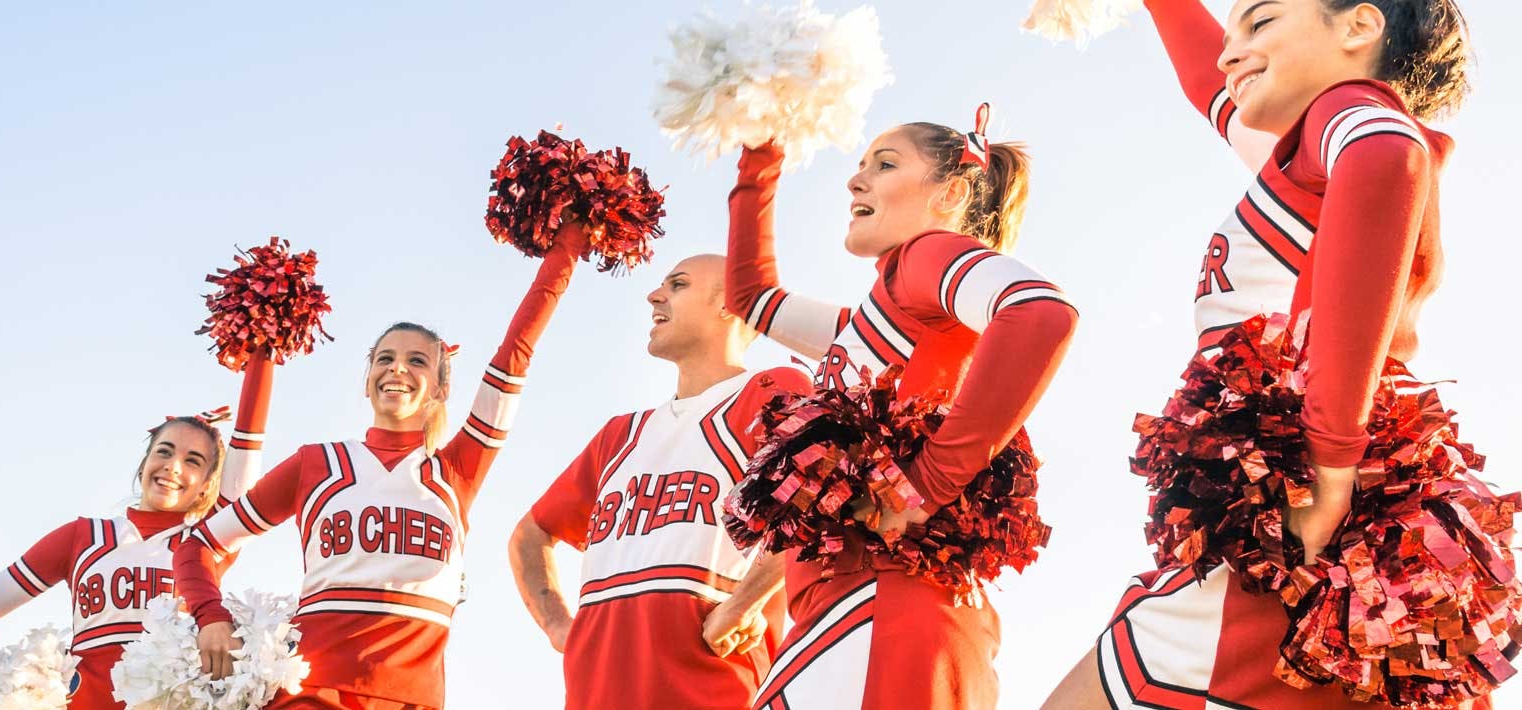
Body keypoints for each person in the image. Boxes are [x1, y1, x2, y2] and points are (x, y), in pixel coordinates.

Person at [1041, 1, 1473, 707]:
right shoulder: (1306, 157)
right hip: (1286, 524)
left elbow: (1386, 151)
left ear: (1359, 28)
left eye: (1261, 21)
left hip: (1300, 520)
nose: (1229, 52)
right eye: (1233, 30)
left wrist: (1329, 463)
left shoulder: (1356, 111)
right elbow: (1210, 84)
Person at [726, 104, 1079, 709]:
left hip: (881, 610)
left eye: (884, 165)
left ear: (952, 192)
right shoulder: (877, 318)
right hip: (851, 610)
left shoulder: (922, 259)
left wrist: (924, 486)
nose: (854, 179)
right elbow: (751, 297)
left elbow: (1039, 309)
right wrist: (762, 152)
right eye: (861, 164)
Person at [174, 226, 587, 709]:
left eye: (417, 361)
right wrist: (211, 617)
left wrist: (569, 245)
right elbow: (199, 543)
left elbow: (516, 353)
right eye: (385, 358)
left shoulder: (455, 472)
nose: (398, 369)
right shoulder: (317, 465)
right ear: (366, 379)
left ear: (440, 389)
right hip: (310, 695)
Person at [510, 253, 813, 710]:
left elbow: (824, 489)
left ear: (730, 304)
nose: (655, 294)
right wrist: (559, 627)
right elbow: (529, 535)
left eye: (679, 284)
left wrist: (745, 603)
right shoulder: (620, 435)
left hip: (712, 691)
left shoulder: (770, 390)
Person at [0, 358, 275, 710]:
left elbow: (248, 446)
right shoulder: (82, 537)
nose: (173, 466)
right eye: (164, 452)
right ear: (144, 462)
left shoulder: (206, 540)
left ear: (207, 485)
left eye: (193, 460)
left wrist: (262, 349)